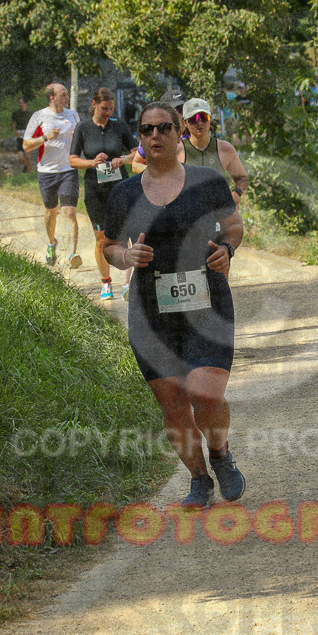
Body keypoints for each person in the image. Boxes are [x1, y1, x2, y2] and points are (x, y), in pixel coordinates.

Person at [102, 102, 245, 508]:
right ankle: (199, 479)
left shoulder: (207, 181)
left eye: (164, 128)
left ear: (179, 131)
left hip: (206, 303)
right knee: (173, 402)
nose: (155, 136)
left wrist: (227, 252)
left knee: (206, 394)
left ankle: (219, 452)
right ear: (140, 138)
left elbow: (233, 227)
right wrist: (125, 258)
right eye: (147, 130)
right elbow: (110, 245)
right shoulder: (124, 193)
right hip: (151, 311)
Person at [70, 88, 138, 300]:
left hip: (121, 188)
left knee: (125, 236)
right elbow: (72, 160)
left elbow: (137, 150)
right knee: (102, 239)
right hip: (96, 190)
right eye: (104, 108)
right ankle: (106, 282)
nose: (108, 112)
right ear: (94, 104)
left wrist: (123, 159)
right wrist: (92, 162)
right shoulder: (83, 127)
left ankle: (126, 283)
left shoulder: (118, 125)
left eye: (110, 109)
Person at [22, 83, 83, 268]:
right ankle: (51, 243)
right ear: (52, 97)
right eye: (62, 95)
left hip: (68, 169)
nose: (66, 98)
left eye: (66, 95)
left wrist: (78, 137)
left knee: (70, 212)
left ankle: (73, 254)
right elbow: (26, 145)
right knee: (51, 213)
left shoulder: (72, 115)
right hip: (47, 172)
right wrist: (45, 137)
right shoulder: (39, 116)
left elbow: (81, 138)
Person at [180, 98, 248, 206]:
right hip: (187, 217)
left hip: (218, 216)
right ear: (185, 123)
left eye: (204, 117)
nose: (199, 123)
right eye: (193, 119)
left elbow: (242, 178)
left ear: (210, 118)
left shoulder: (225, 149)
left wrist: (236, 194)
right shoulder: (176, 151)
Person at [10, 97, 33, 173]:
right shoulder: (16, 113)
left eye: (22, 102)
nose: (21, 104)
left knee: (28, 156)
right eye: (20, 103)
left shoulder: (30, 114)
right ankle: (26, 166)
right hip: (20, 136)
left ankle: (29, 173)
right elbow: (12, 124)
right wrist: (15, 131)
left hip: (28, 137)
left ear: (25, 103)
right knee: (20, 157)